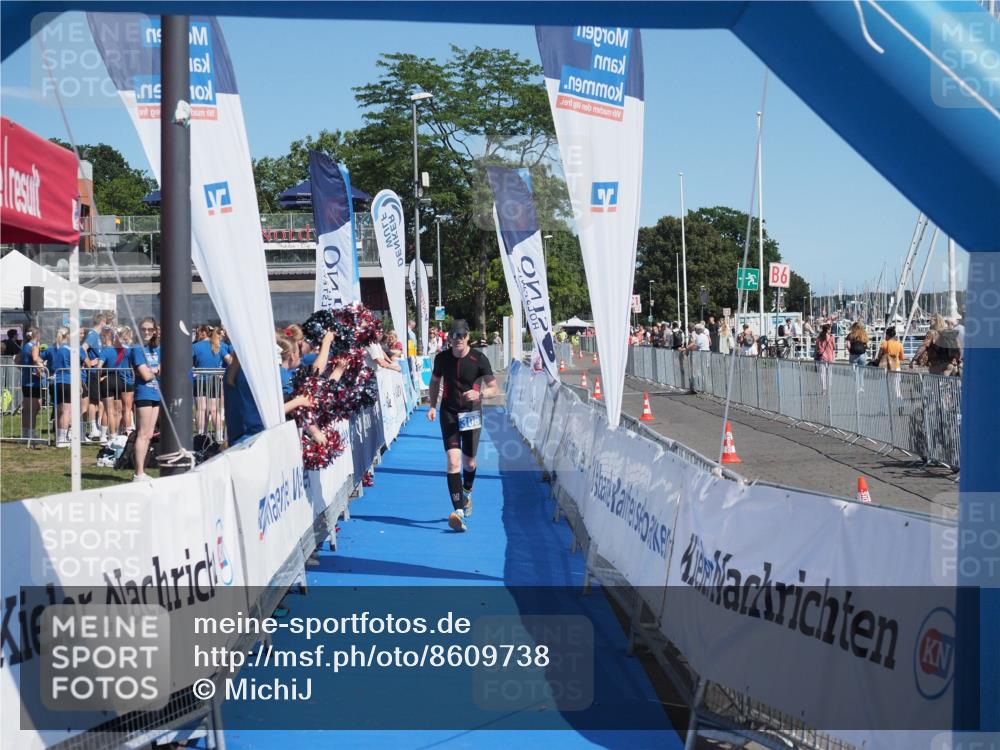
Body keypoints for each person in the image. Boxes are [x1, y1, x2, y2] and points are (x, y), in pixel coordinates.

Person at [427, 319, 499, 533]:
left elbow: (494, 388)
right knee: (453, 461)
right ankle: (458, 511)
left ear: (468, 337)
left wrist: (481, 394)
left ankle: (467, 491)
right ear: (449, 338)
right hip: (449, 412)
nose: (458, 339)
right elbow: (434, 382)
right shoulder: (441, 358)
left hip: (471, 413)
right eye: (454, 335)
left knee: (469, 463)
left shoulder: (479, 359)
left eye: (462, 335)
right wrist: (432, 406)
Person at [129, 317, 161, 481]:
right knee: (142, 434)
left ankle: (142, 472)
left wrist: (153, 370)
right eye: (144, 329)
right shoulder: (137, 349)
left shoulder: (158, 349)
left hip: (156, 393)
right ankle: (138, 473)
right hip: (144, 394)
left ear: (155, 331)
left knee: (149, 434)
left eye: (150, 329)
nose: (147, 332)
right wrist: (156, 369)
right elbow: (145, 375)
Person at [192, 324, 232, 438]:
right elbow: (230, 360)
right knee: (214, 410)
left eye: (198, 332)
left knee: (201, 409)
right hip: (215, 380)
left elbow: (186, 363)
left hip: (200, 380)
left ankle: (201, 437)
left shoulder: (195, 346)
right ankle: (219, 438)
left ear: (203, 332)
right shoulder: (219, 345)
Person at [83, 313, 107, 441]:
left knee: (100, 400)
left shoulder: (97, 335)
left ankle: (97, 426)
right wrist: (89, 363)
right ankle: (93, 428)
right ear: (102, 322)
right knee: (93, 401)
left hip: (99, 372)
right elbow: (83, 349)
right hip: (93, 372)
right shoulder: (92, 335)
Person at [19, 327, 44, 439]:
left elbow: (17, 360)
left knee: (27, 409)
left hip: (26, 381)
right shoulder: (34, 346)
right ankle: (31, 433)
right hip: (33, 382)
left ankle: (25, 433)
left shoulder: (25, 346)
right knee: (33, 409)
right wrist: (40, 370)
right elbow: (34, 359)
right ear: (37, 335)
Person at [117, 326, 136, 435]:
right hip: (127, 379)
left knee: (121, 408)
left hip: (118, 378)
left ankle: (122, 429)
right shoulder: (128, 350)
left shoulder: (116, 348)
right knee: (127, 408)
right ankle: (128, 430)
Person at [846, 320, 869, 391]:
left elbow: (848, 345)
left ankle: (857, 387)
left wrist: (851, 351)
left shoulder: (850, 335)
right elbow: (867, 345)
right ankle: (861, 387)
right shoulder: (864, 334)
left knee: (855, 372)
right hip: (862, 355)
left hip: (853, 355)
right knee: (861, 372)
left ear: (853, 327)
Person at [815, 323, 836, 393]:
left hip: (822, 357)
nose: (831, 330)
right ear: (828, 330)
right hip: (830, 357)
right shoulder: (831, 337)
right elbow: (834, 347)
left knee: (822, 374)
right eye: (830, 329)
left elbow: (817, 348)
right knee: (830, 373)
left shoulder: (819, 338)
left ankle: (823, 389)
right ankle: (829, 387)